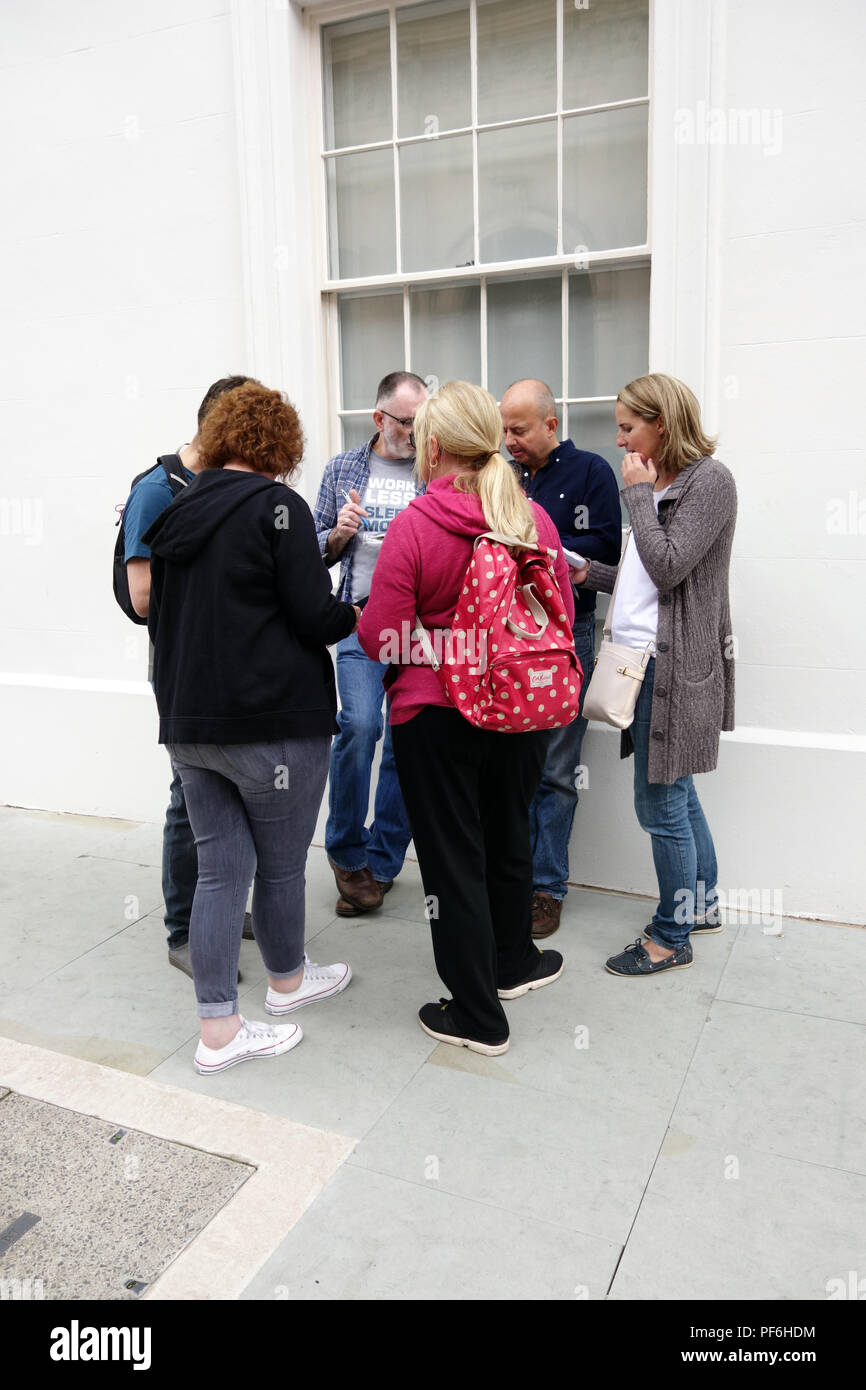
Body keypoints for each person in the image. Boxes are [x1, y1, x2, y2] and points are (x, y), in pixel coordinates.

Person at [144, 381, 359, 1073]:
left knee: (217, 875)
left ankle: (219, 1030)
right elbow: (313, 615)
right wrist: (358, 607)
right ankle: (288, 985)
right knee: (282, 867)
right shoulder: (278, 507)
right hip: (272, 723)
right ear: (279, 445)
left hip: (189, 726)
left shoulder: (177, 513)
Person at [358, 380, 575, 1055]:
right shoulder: (531, 519)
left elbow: (379, 636)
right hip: (521, 709)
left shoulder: (416, 526)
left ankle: (477, 1016)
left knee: (453, 861)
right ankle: (513, 964)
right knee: (509, 836)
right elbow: (554, 616)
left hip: (435, 716)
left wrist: (450, 649)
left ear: (436, 445)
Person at [570, 373, 736, 976]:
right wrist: (590, 573)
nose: (619, 440)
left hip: (672, 668)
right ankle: (704, 904)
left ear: (661, 423)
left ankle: (672, 935)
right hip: (639, 662)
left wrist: (637, 496)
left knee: (658, 803)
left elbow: (669, 568)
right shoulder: (663, 482)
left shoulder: (708, 482)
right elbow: (645, 578)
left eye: (627, 426)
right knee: (678, 793)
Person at [123, 375, 255, 978]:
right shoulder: (156, 490)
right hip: (181, 667)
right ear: (215, 424)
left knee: (238, 788)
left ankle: (225, 906)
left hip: (234, 663)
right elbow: (144, 597)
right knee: (189, 794)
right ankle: (183, 929)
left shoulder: (228, 483)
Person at [500, 379, 622, 939]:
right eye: (504, 429)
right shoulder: (501, 476)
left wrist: (550, 549)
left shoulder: (592, 472)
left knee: (554, 769)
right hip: (508, 632)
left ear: (551, 425)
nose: (509, 440)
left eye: (519, 429)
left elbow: (608, 550)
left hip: (567, 633)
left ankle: (547, 889)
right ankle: (511, 878)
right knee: (512, 765)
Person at [314, 371, 428, 917]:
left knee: (409, 747)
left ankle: (381, 864)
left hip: (418, 633)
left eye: (422, 422)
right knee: (360, 727)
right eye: (408, 422)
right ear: (380, 419)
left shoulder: (435, 470)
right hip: (361, 624)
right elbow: (308, 553)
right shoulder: (341, 469)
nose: (416, 432)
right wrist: (337, 534)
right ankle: (345, 851)